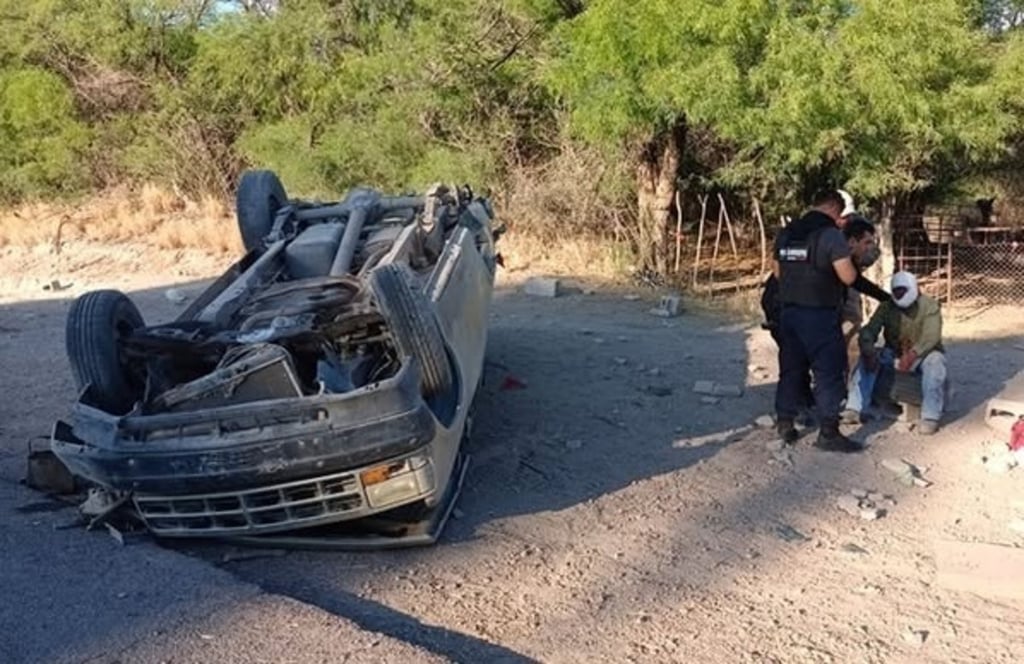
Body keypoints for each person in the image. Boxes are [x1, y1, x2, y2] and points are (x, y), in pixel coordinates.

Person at [773, 189, 863, 452]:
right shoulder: (831, 236)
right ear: (835, 208)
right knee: (828, 373)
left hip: (789, 314)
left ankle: (785, 422)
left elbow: (777, 272)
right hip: (820, 316)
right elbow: (847, 277)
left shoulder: (787, 233)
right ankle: (828, 432)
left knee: (791, 369)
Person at [841, 271, 947, 434]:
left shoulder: (930, 306)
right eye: (896, 292)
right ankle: (854, 408)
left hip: (923, 355)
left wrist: (913, 355)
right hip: (894, 353)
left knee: (937, 362)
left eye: (903, 292)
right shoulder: (886, 307)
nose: (899, 296)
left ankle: (930, 416)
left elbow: (931, 336)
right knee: (868, 357)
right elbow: (870, 329)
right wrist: (868, 348)